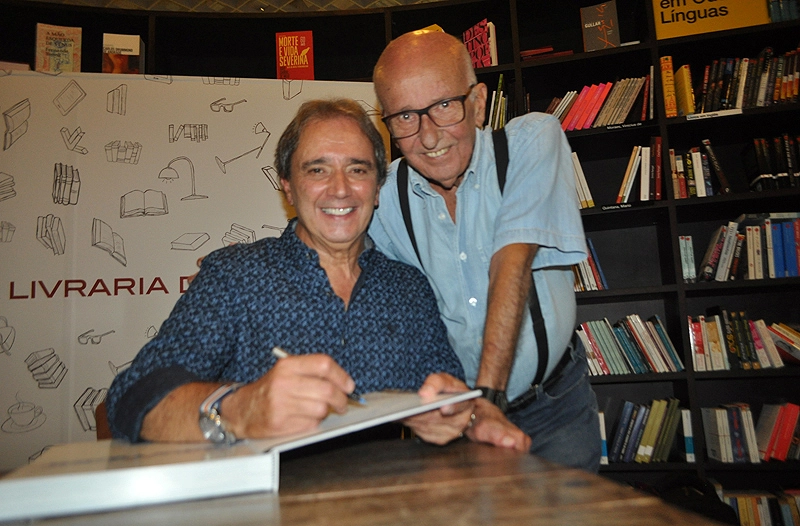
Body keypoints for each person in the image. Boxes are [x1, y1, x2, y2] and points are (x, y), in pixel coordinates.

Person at [105, 98, 529, 450]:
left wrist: (455, 413)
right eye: (317, 169)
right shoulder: (235, 276)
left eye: (358, 169)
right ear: (287, 186)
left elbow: (451, 396)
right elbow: (132, 397)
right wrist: (239, 408)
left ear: (377, 188)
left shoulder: (409, 288)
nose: (340, 189)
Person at [369, 31, 601, 471]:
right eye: (404, 116)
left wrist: (489, 401)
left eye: (443, 106)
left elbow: (510, 263)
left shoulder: (531, 141)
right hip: (455, 420)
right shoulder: (383, 193)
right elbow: (337, 261)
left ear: (477, 102)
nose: (428, 135)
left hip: (555, 407)